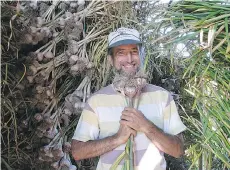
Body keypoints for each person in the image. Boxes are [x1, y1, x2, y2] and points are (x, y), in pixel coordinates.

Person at [71, 27, 186, 170]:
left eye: (134, 52)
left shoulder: (162, 97)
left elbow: (178, 150)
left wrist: (146, 126)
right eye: (121, 53)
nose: (129, 59)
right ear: (110, 60)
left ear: (141, 56)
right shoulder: (96, 101)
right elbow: (77, 152)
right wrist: (117, 138)